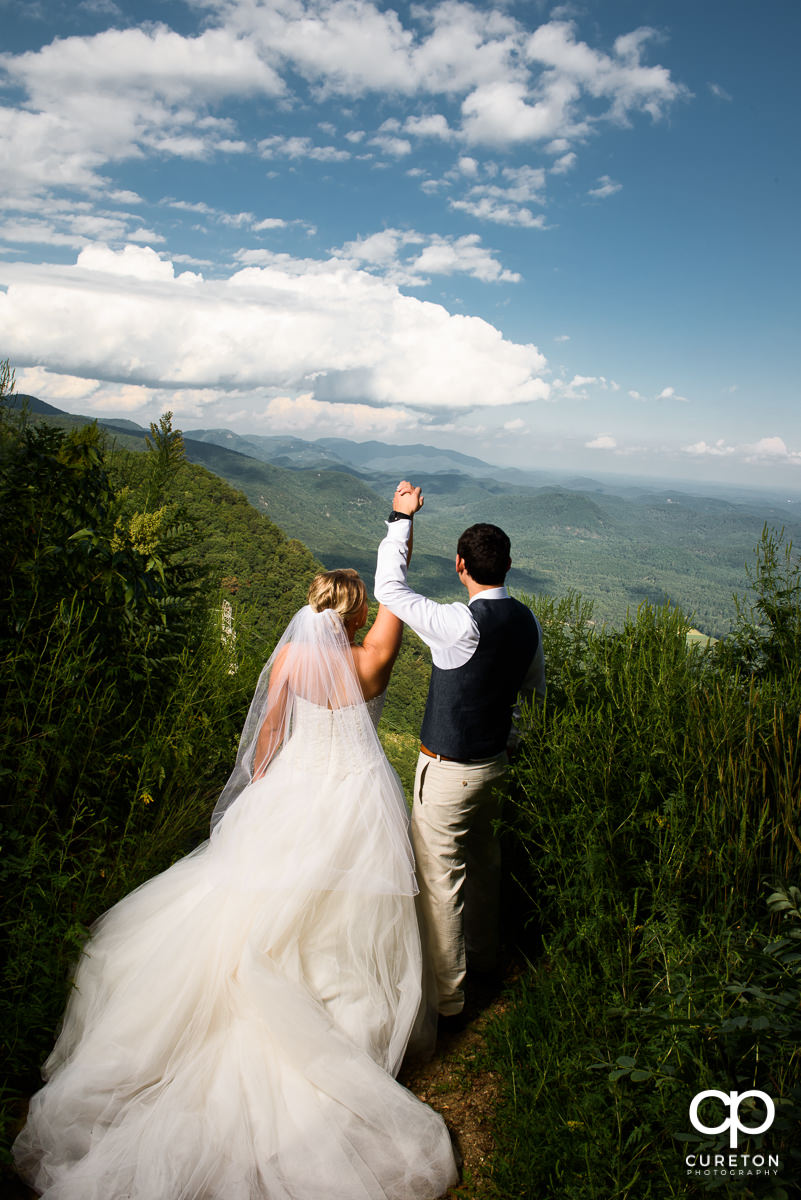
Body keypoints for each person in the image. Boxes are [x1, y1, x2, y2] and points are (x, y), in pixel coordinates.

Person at [13, 568, 459, 1200]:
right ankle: (329, 1011)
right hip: (354, 800)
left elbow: (267, 737)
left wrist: (265, 796)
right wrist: (402, 531)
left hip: (294, 788)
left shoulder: (289, 660)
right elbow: (393, 603)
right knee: (343, 919)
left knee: (257, 907)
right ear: (354, 614)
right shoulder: (367, 664)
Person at [375, 482, 545, 1025]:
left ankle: (449, 999)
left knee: (440, 879)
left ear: (460, 565)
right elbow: (533, 693)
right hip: (497, 765)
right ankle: (488, 963)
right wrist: (508, 742)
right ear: (509, 565)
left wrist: (402, 519)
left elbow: (388, 588)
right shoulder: (527, 622)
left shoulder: (458, 624)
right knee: (486, 866)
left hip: (448, 770)